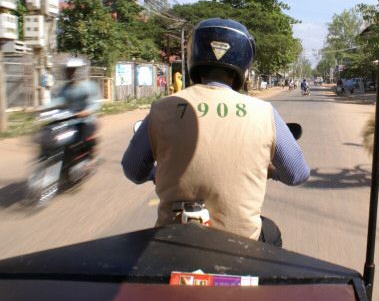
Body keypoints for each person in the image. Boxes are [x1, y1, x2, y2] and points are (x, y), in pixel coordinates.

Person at [121, 18, 310, 246]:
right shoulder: (263, 112)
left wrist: (156, 173)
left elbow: (132, 170)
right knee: (272, 232)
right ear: (244, 66)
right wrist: (269, 171)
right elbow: (297, 174)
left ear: (194, 58)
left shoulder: (162, 108)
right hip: (241, 243)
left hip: (170, 239)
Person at [51, 58, 100, 143]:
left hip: (86, 121)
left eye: (73, 70)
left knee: (80, 141)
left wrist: (87, 111)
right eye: (68, 70)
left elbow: (95, 103)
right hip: (69, 122)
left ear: (80, 71)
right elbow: (58, 101)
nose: (71, 72)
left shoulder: (89, 86)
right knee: (55, 138)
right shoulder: (65, 88)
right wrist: (39, 108)